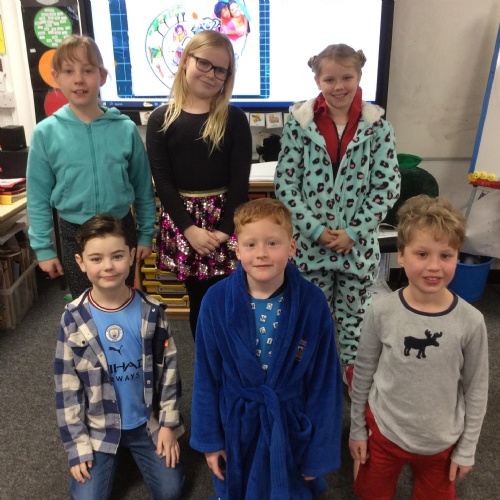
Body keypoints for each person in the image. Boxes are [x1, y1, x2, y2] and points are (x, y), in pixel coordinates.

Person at [190, 198, 343, 499]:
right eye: (251, 244)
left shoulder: (312, 302)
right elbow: (206, 374)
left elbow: (325, 381)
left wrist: (319, 452)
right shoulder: (215, 301)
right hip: (237, 421)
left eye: (273, 243)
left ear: (292, 247)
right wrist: (210, 440)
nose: (261, 253)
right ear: (237, 250)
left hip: (289, 419)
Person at [274, 43, 401, 382]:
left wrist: (354, 232)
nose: (339, 86)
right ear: (317, 81)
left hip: (355, 248)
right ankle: (305, 374)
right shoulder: (300, 125)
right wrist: (315, 230)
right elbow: (286, 185)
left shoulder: (378, 128)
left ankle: (352, 373)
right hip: (310, 246)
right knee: (307, 314)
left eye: (347, 77)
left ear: (359, 77)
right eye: (330, 79)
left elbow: (387, 186)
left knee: (355, 317)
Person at [349, 195, 488, 499]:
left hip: (441, 442)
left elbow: (476, 389)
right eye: (422, 254)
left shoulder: (472, 321)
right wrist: (357, 429)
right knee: (370, 493)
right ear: (401, 255)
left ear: (457, 256)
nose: (434, 266)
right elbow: (363, 373)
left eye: (446, 255)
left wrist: (467, 448)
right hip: (384, 432)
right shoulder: (380, 312)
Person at [54, 214, 184, 499]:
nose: (108, 266)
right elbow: (67, 389)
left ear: (131, 256)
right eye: (96, 259)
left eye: (117, 256)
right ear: (80, 263)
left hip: (146, 424)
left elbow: (170, 372)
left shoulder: (153, 312)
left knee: (170, 492)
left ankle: (135, 452)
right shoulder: (73, 319)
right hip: (99, 428)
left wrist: (168, 425)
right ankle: (115, 455)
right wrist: (77, 447)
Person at [27, 35, 156, 300]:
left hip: (120, 228)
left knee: (122, 298)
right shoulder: (45, 133)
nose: (79, 79)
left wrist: (146, 234)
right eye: (69, 71)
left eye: (87, 70)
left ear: (102, 76)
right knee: (84, 303)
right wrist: (43, 249)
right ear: (56, 77)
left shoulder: (125, 129)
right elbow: (37, 196)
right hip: (74, 231)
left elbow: (143, 187)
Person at [146, 30, 252, 338]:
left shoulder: (233, 118)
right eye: (204, 63)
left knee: (232, 299)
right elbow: (163, 182)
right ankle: (206, 361)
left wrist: (224, 231)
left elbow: (239, 181)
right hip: (186, 223)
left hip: (225, 221)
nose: (211, 74)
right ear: (185, 61)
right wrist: (190, 230)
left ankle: (235, 361)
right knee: (200, 302)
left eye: (220, 70)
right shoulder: (161, 119)